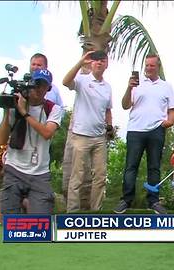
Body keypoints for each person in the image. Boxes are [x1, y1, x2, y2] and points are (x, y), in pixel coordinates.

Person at [0, 69, 62, 223]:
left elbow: (47, 133)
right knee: (10, 223)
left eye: (43, 85)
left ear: (48, 88)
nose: (38, 88)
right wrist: (7, 112)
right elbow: (2, 140)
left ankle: (26, 204)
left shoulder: (53, 109)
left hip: (40, 173)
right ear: (30, 84)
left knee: (41, 226)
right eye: (36, 84)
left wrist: (24, 112)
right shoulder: (16, 105)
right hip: (15, 169)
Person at [114, 54, 174, 214]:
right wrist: (129, 87)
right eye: (146, 65)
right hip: (135, 129)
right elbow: (125, 105)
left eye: (151, 65)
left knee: (154, 167)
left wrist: (168, 122)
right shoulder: (136, 84)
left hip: (156, 130)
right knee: (131, 166)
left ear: (158, 67)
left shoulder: (166, 86)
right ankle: (126, 200)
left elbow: (172, 111)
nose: (148, 68)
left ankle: (153, 201)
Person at [63, 50, 113, 212]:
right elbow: (65, 82)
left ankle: (95, 212)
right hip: (81, 136)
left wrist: (109, 126)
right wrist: (80, 62)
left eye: (102, 60)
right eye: (96, 60)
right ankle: (72, 212)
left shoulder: (107, 87)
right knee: (77, 176)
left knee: (100, 177)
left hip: (99, 138)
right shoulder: (82, 81)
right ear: (91, 63)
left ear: (106, 64)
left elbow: (107, 110)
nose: (99, 63)